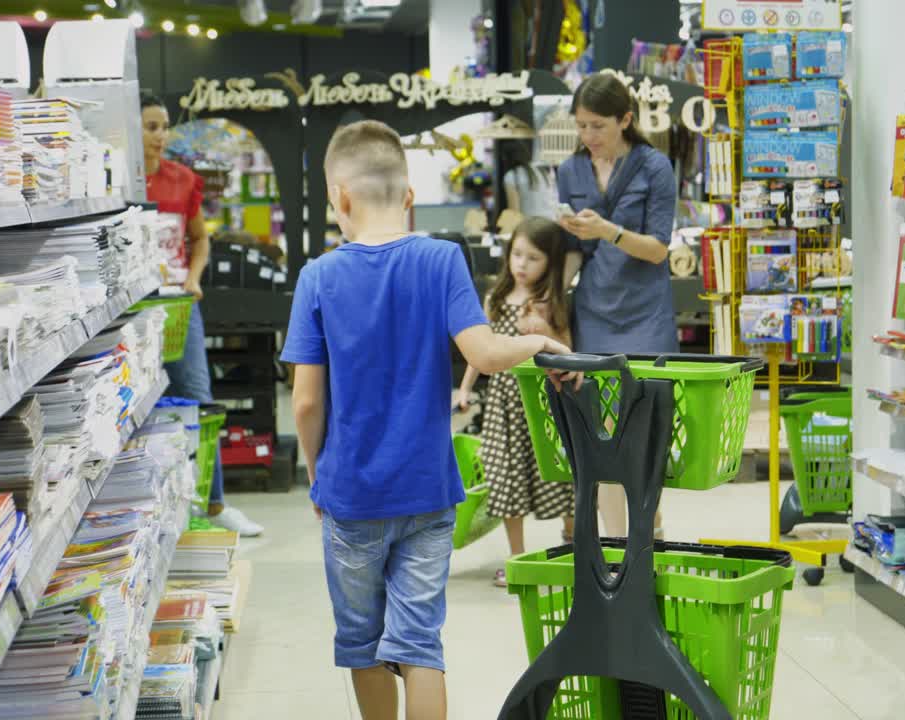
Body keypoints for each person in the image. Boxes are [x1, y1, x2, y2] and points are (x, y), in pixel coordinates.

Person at [282, 120, 575, 720]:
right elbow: (486, 353)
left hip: (352, 495)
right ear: (409, 197)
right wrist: (541, 346)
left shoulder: (317, 278)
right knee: (420, 646)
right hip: (428, 492)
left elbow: (307, 402)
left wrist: (318, 473)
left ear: (341, 199)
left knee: (363, 646)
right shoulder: (442, 259)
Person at [555, 73, 679, 539]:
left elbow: (658, 250)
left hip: (645, 311)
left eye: (598, 127)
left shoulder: (654, 167)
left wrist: (608, 231)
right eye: (581, 126)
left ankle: (646, 520)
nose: (588, 138)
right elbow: (572, 249)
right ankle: (615, 537)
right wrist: (557, 300)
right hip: (595, 310)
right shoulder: (570, 171)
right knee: (601, 427)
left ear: (626, 120)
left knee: (646, 425)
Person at [141, 93, 263, 537]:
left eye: (164, 125)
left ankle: (213, 506)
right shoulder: (120, 182)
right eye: (151, 126)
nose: (161, 135)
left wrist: (194, 278)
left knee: (196, 395)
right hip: (132, 309)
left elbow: (200, 240)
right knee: (139, 402)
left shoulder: (183, 180)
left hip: (178, 305)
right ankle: (153, 507)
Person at [455, 217, 575, 587]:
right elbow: (481, 348)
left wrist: (543, 328)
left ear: (551, 264)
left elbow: (567, 347)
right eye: (517, 254)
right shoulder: (495, 298)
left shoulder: (551, 301)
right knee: (507, 479)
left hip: (542, 403)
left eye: (533, 258)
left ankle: (572, 548)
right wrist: (464, 387)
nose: (521, 265)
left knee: (561, 477)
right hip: (503, 403)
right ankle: (517, 558)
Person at [500, 139, 558, 219]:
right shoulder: (541, 170)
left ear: (506, 157)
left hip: (531, 226)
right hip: (552, 222)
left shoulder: (511, 176)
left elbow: (514, 212)